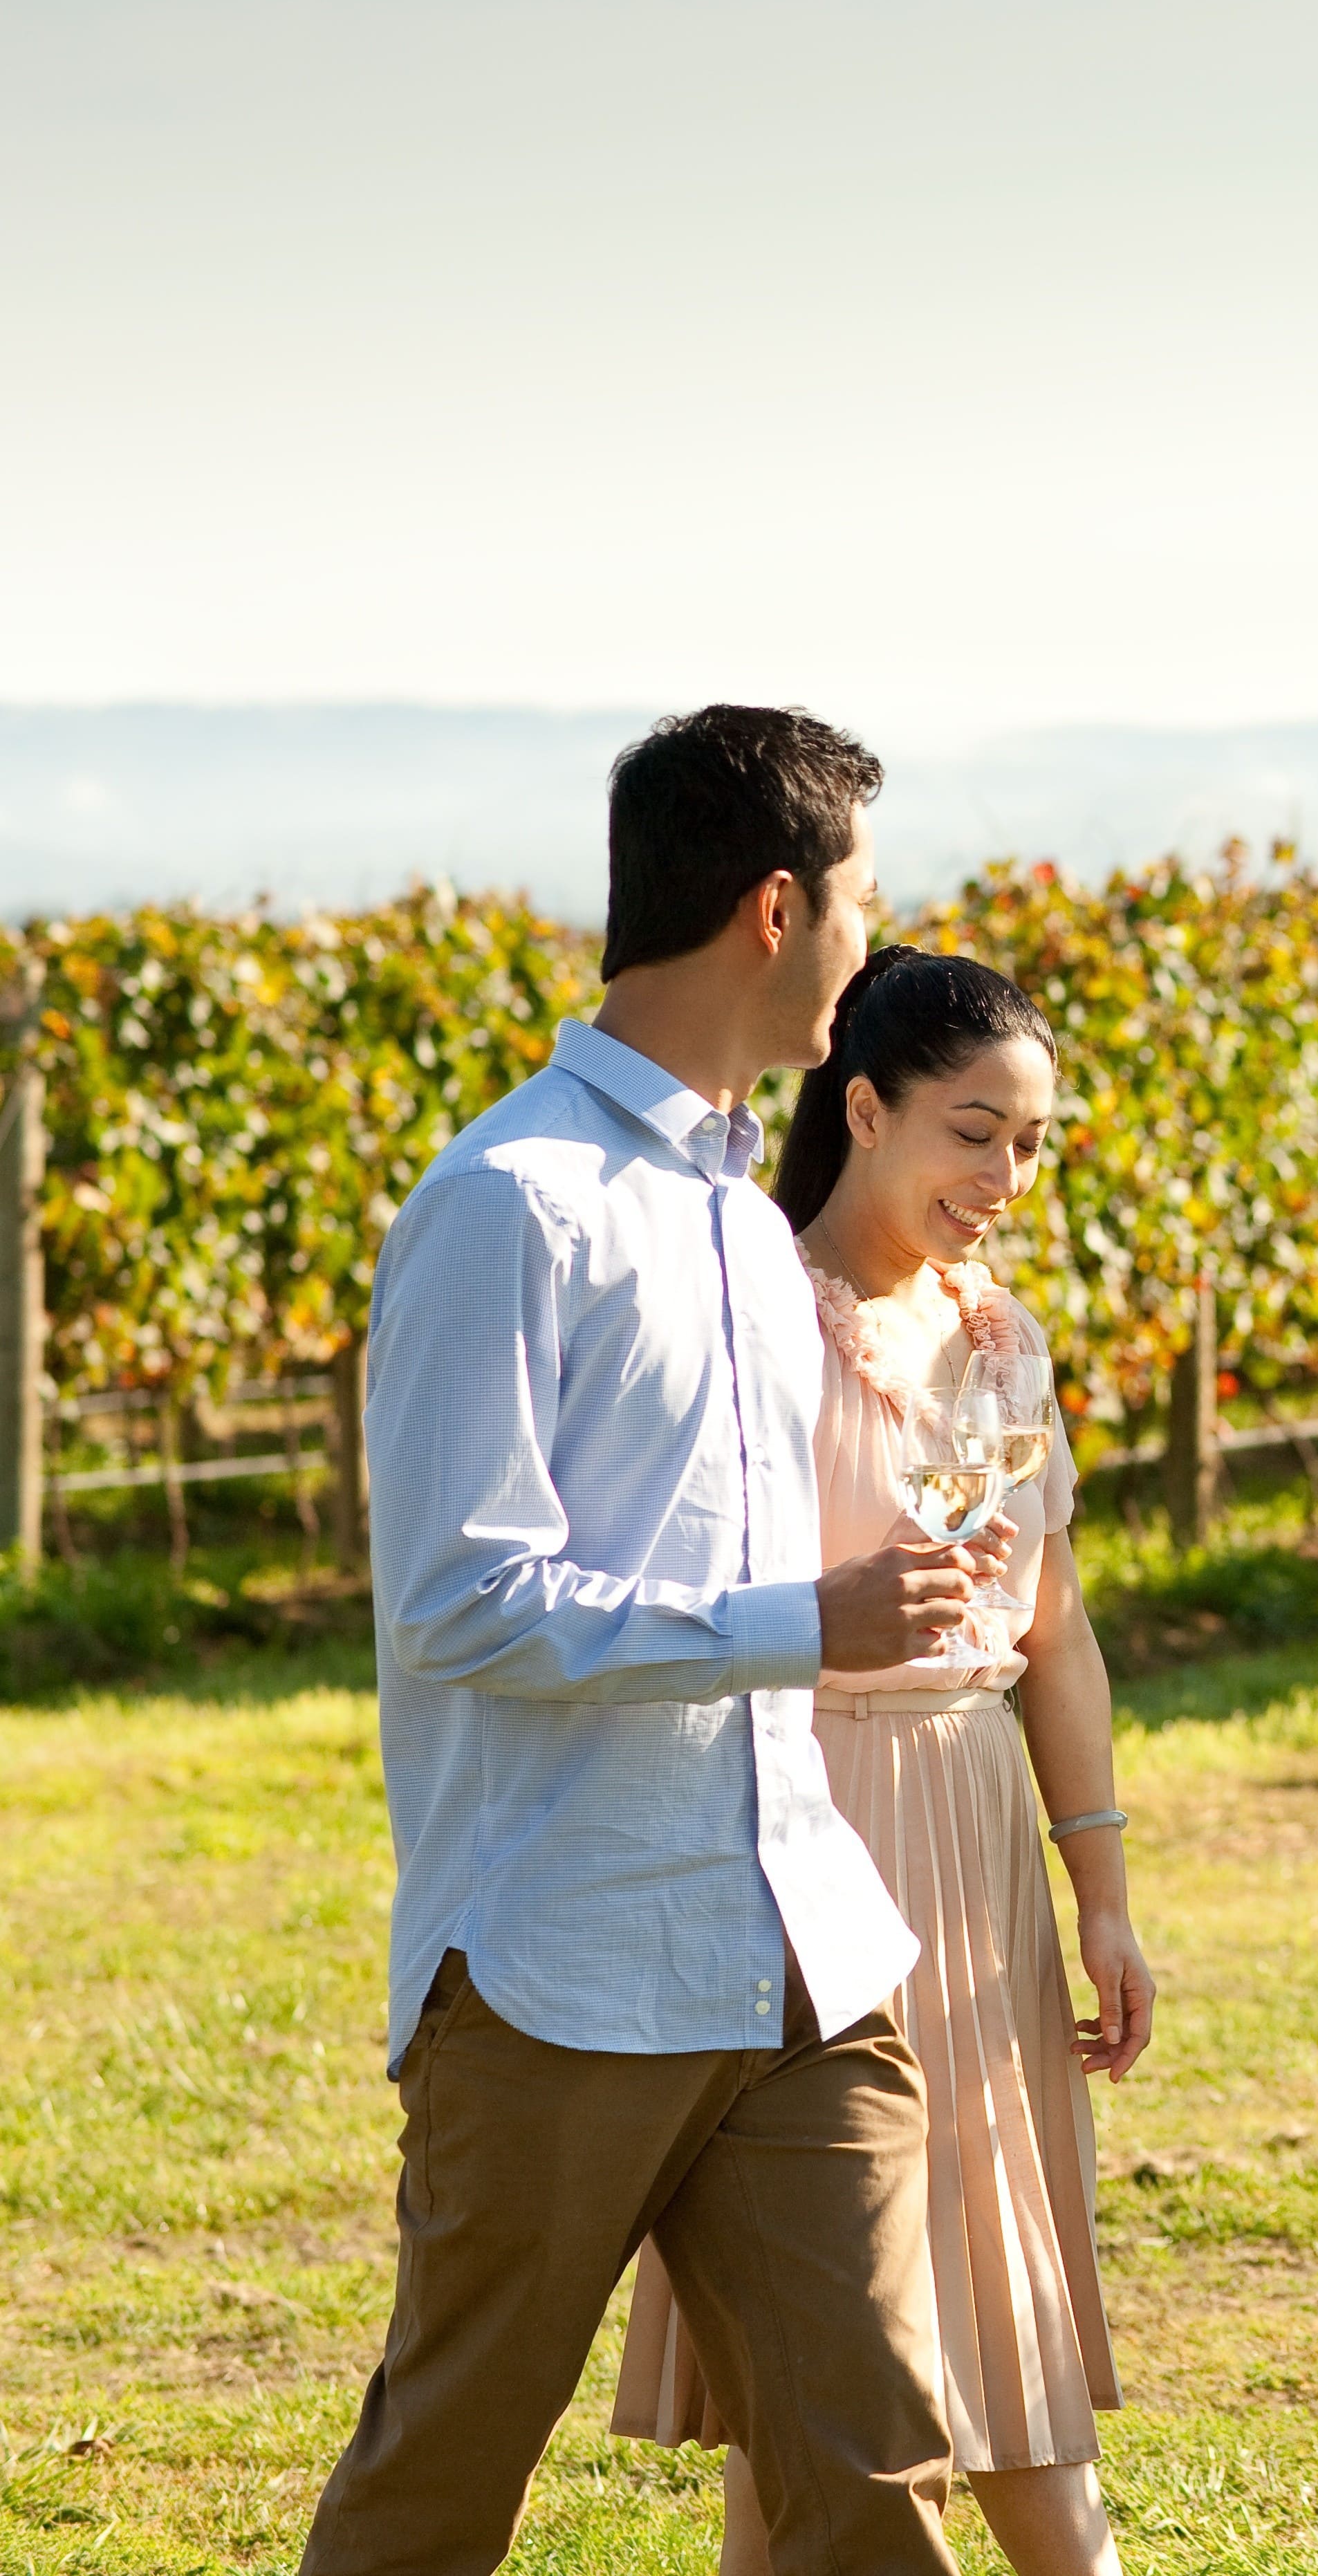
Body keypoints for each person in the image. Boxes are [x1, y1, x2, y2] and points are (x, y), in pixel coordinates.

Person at [306, 707, 1002, 2576]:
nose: (873, 945)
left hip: (799, 1954)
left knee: (876, 2477)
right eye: (862, 903)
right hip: (561, 1964)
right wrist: (803, 1619)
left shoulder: (736, 1210)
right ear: (777, 911)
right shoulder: (504, 1207)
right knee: (439, 2487)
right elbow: (466, 1599)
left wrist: (895, 1589)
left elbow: (742, 1544)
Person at [612, 947, 1158, 2576]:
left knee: (992, 2307)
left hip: (978, 1839)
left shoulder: (1004, 1340)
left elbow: (1048, 1630)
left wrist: (1105, 1898)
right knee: (824, 2353)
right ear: (865, 1106)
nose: (1006, 1178)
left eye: (1034, 1143)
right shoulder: (754, 1314)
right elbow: (676, 1598)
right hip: (806, 1833)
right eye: (974, 1133)